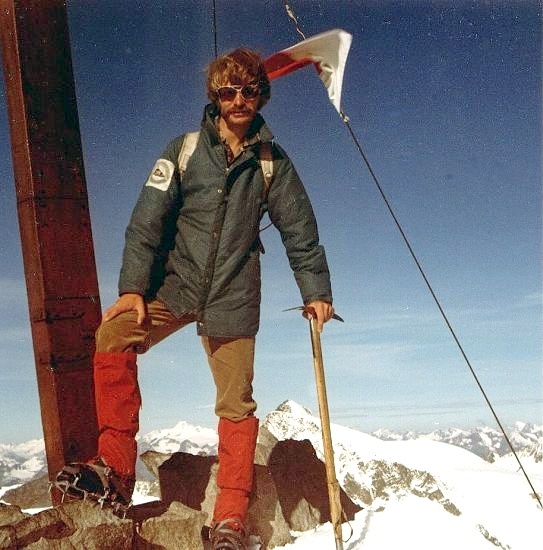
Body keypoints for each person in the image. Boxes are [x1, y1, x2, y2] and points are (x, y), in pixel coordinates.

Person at [58, 47, 334, 549]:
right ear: (216, 97)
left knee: (236, 403)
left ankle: (229, 517)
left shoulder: (271, 162)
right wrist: (133, 290)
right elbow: (147, 222)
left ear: (261, 95)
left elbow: (301, 231)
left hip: (233, 295)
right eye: (228, 91)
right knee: (113, 335)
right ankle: (117, 472)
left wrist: (315, 292)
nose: (238, 100)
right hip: (175, 286)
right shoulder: (183, 150)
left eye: (249, 90)